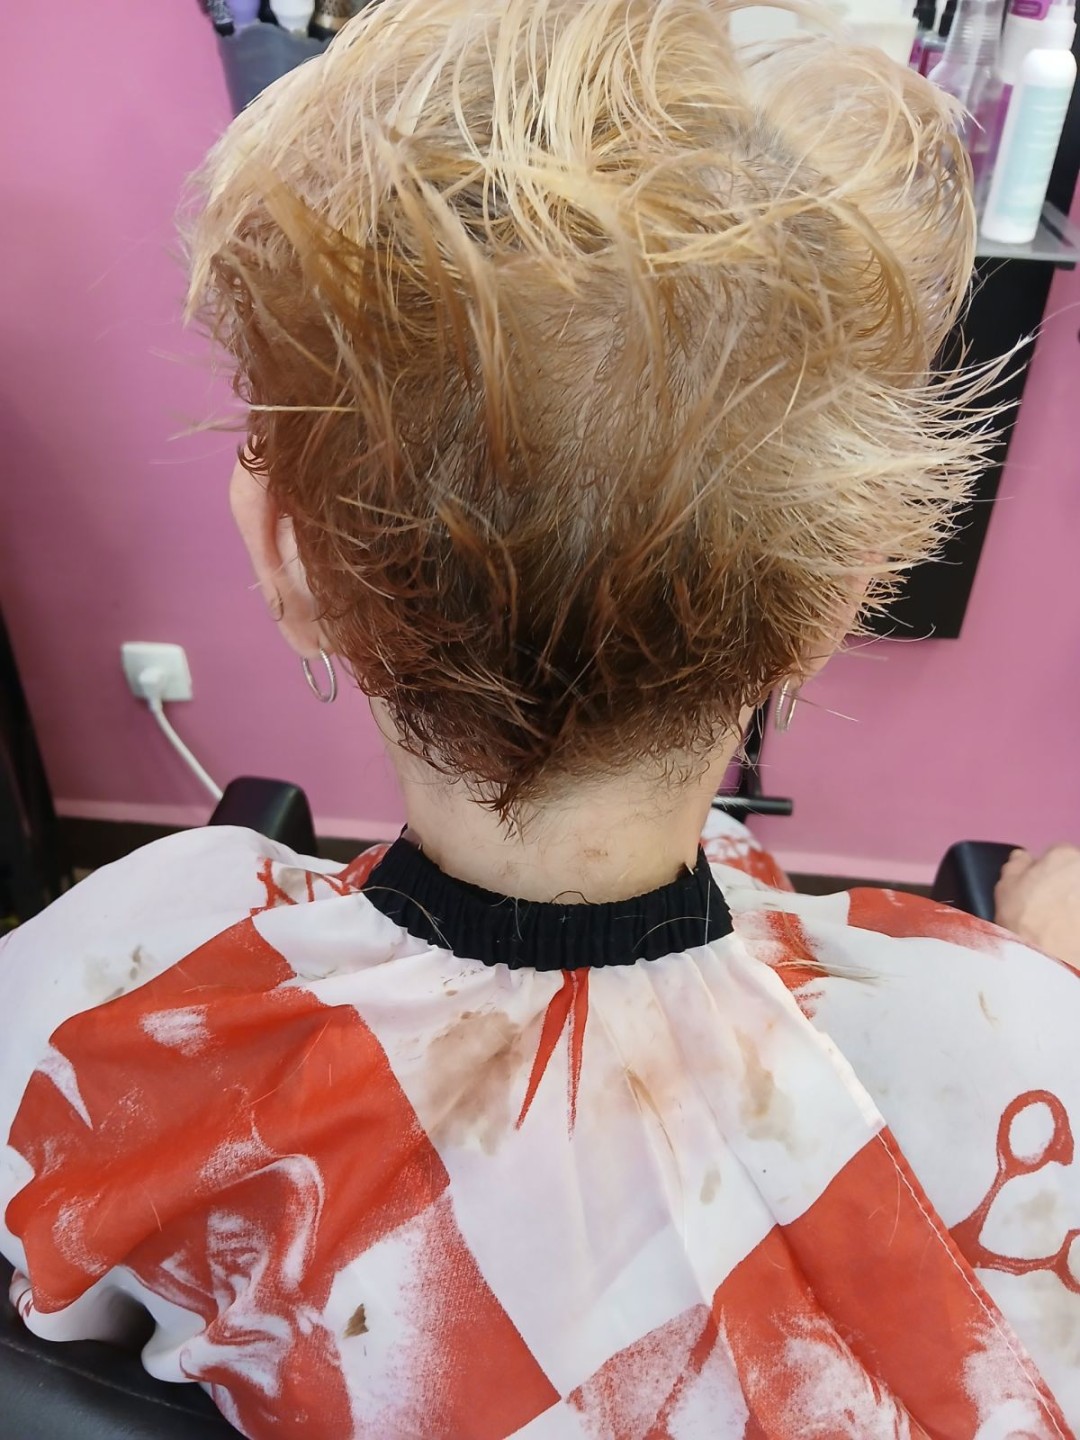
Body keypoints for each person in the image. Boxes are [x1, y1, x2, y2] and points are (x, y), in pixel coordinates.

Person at [2, 0, 1079, 1434]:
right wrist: (1038, 969)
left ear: (289, 560)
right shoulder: (1010, 1042)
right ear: (846, 592)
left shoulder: (109, 984)